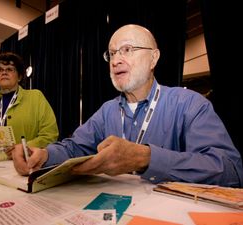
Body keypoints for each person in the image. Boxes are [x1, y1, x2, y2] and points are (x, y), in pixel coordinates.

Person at [12, 24, 243, 187]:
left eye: (127, 50)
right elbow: (74, 149)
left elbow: (231, 170)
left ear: (154, 58)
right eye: (111, 53)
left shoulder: (190, 104)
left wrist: (146, 158)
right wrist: (44, 155)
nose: (116, 60)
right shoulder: (107, 111)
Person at [0, 52, 59, 156]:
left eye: (10, 69)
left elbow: (50, 135)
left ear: (19, 76)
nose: (4, 72)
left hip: (26, 163)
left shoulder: (36, 97)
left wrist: (23, 149)